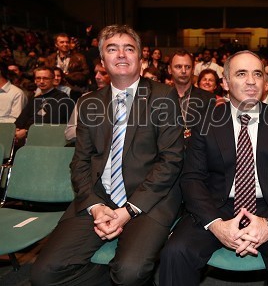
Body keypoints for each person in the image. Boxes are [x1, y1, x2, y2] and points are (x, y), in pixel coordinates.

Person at [31, 24, 185, 286]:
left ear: (141, 58)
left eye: (129, 48)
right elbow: (80, 161)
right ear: (102, 61)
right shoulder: (90, 103)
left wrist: (128, 210)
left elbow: (171, 160)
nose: (121, 55)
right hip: (99, 198)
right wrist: (94, 205)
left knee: (129, 272)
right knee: (43, 274)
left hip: (148, 200)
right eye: (112, 49)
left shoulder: (163, 96)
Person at [159, 50, 268, 286]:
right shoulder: (206, 122)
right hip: (216, 205)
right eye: (241, 74)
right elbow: (191, 179)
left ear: (266, 82)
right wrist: (216, 225)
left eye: (257, 74)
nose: (251, 81)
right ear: (226, 82)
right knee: (176, 252)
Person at [14, 66, 74, 144]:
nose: (41, 81)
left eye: (45, 78)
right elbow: (21, 119)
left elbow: (50, 122)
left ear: (53, 80)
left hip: (50, 139)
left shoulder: (62, 98)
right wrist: (16, 129)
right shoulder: (34, 99)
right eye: (38, 78)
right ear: (35, 81)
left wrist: (26, 131)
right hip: (30, 139)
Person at [168, 49, 216, 143]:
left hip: (197, 154)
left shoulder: (208, 99)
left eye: (188, 67)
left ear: (193, 70)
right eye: (178, 67)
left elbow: (210, 136)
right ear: (170, 70)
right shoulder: (160, 97)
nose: (183, 71)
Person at [64, 62, 111, 144]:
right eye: (96, 73)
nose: (97, 77)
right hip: (91, 152)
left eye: (103, 73)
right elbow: (69, 133)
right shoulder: (85, 98)